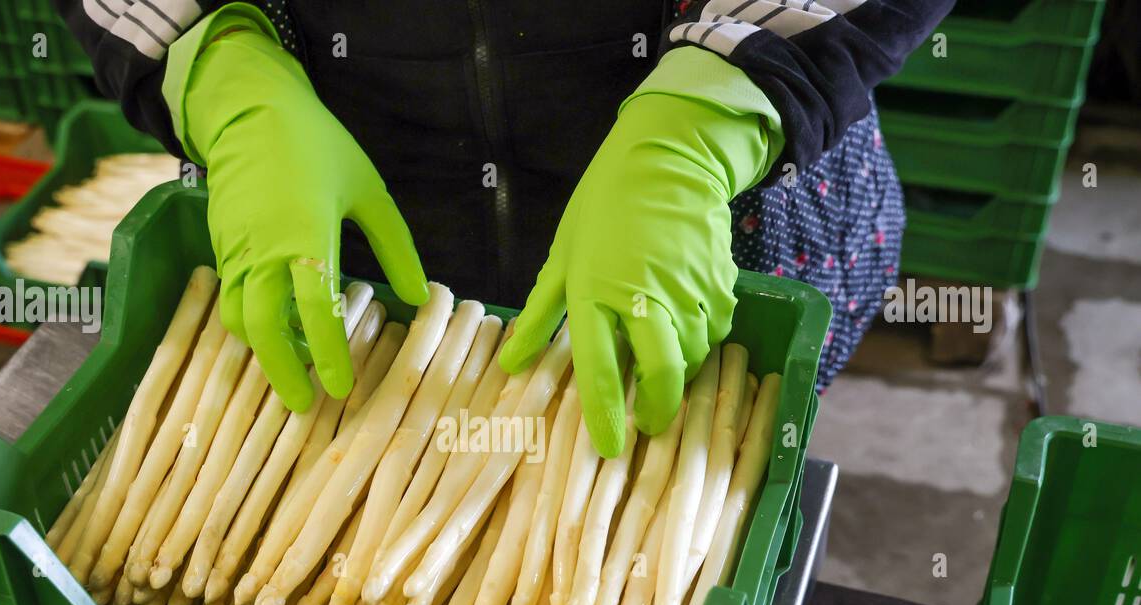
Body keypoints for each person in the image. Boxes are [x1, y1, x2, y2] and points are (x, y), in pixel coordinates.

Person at [57, 0, 954, 456]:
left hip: (710, 209)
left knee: (716, 516)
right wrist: (216, 63)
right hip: (341, 211)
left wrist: (712, 114)